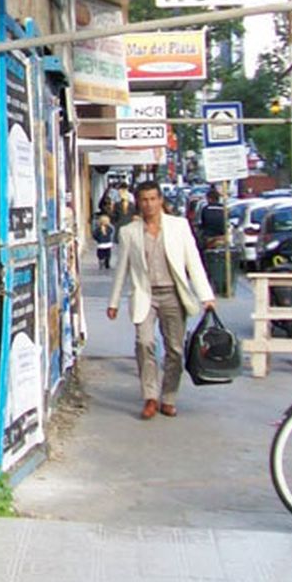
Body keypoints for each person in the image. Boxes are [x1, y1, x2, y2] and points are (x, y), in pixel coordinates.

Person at [107, 180, 217, 420]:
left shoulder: (179, 227)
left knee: (175, 350)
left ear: (160, 201)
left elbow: (193, 262)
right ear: (139, 203)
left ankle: (168, 397)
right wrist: (113, 302)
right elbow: (121, 269)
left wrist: (206, 296)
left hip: (173, 295)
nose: (149, 204)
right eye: (144, 200)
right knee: (144, 343)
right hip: (145, 295)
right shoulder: (129, 233)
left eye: (153, 199)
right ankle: (149, 397)